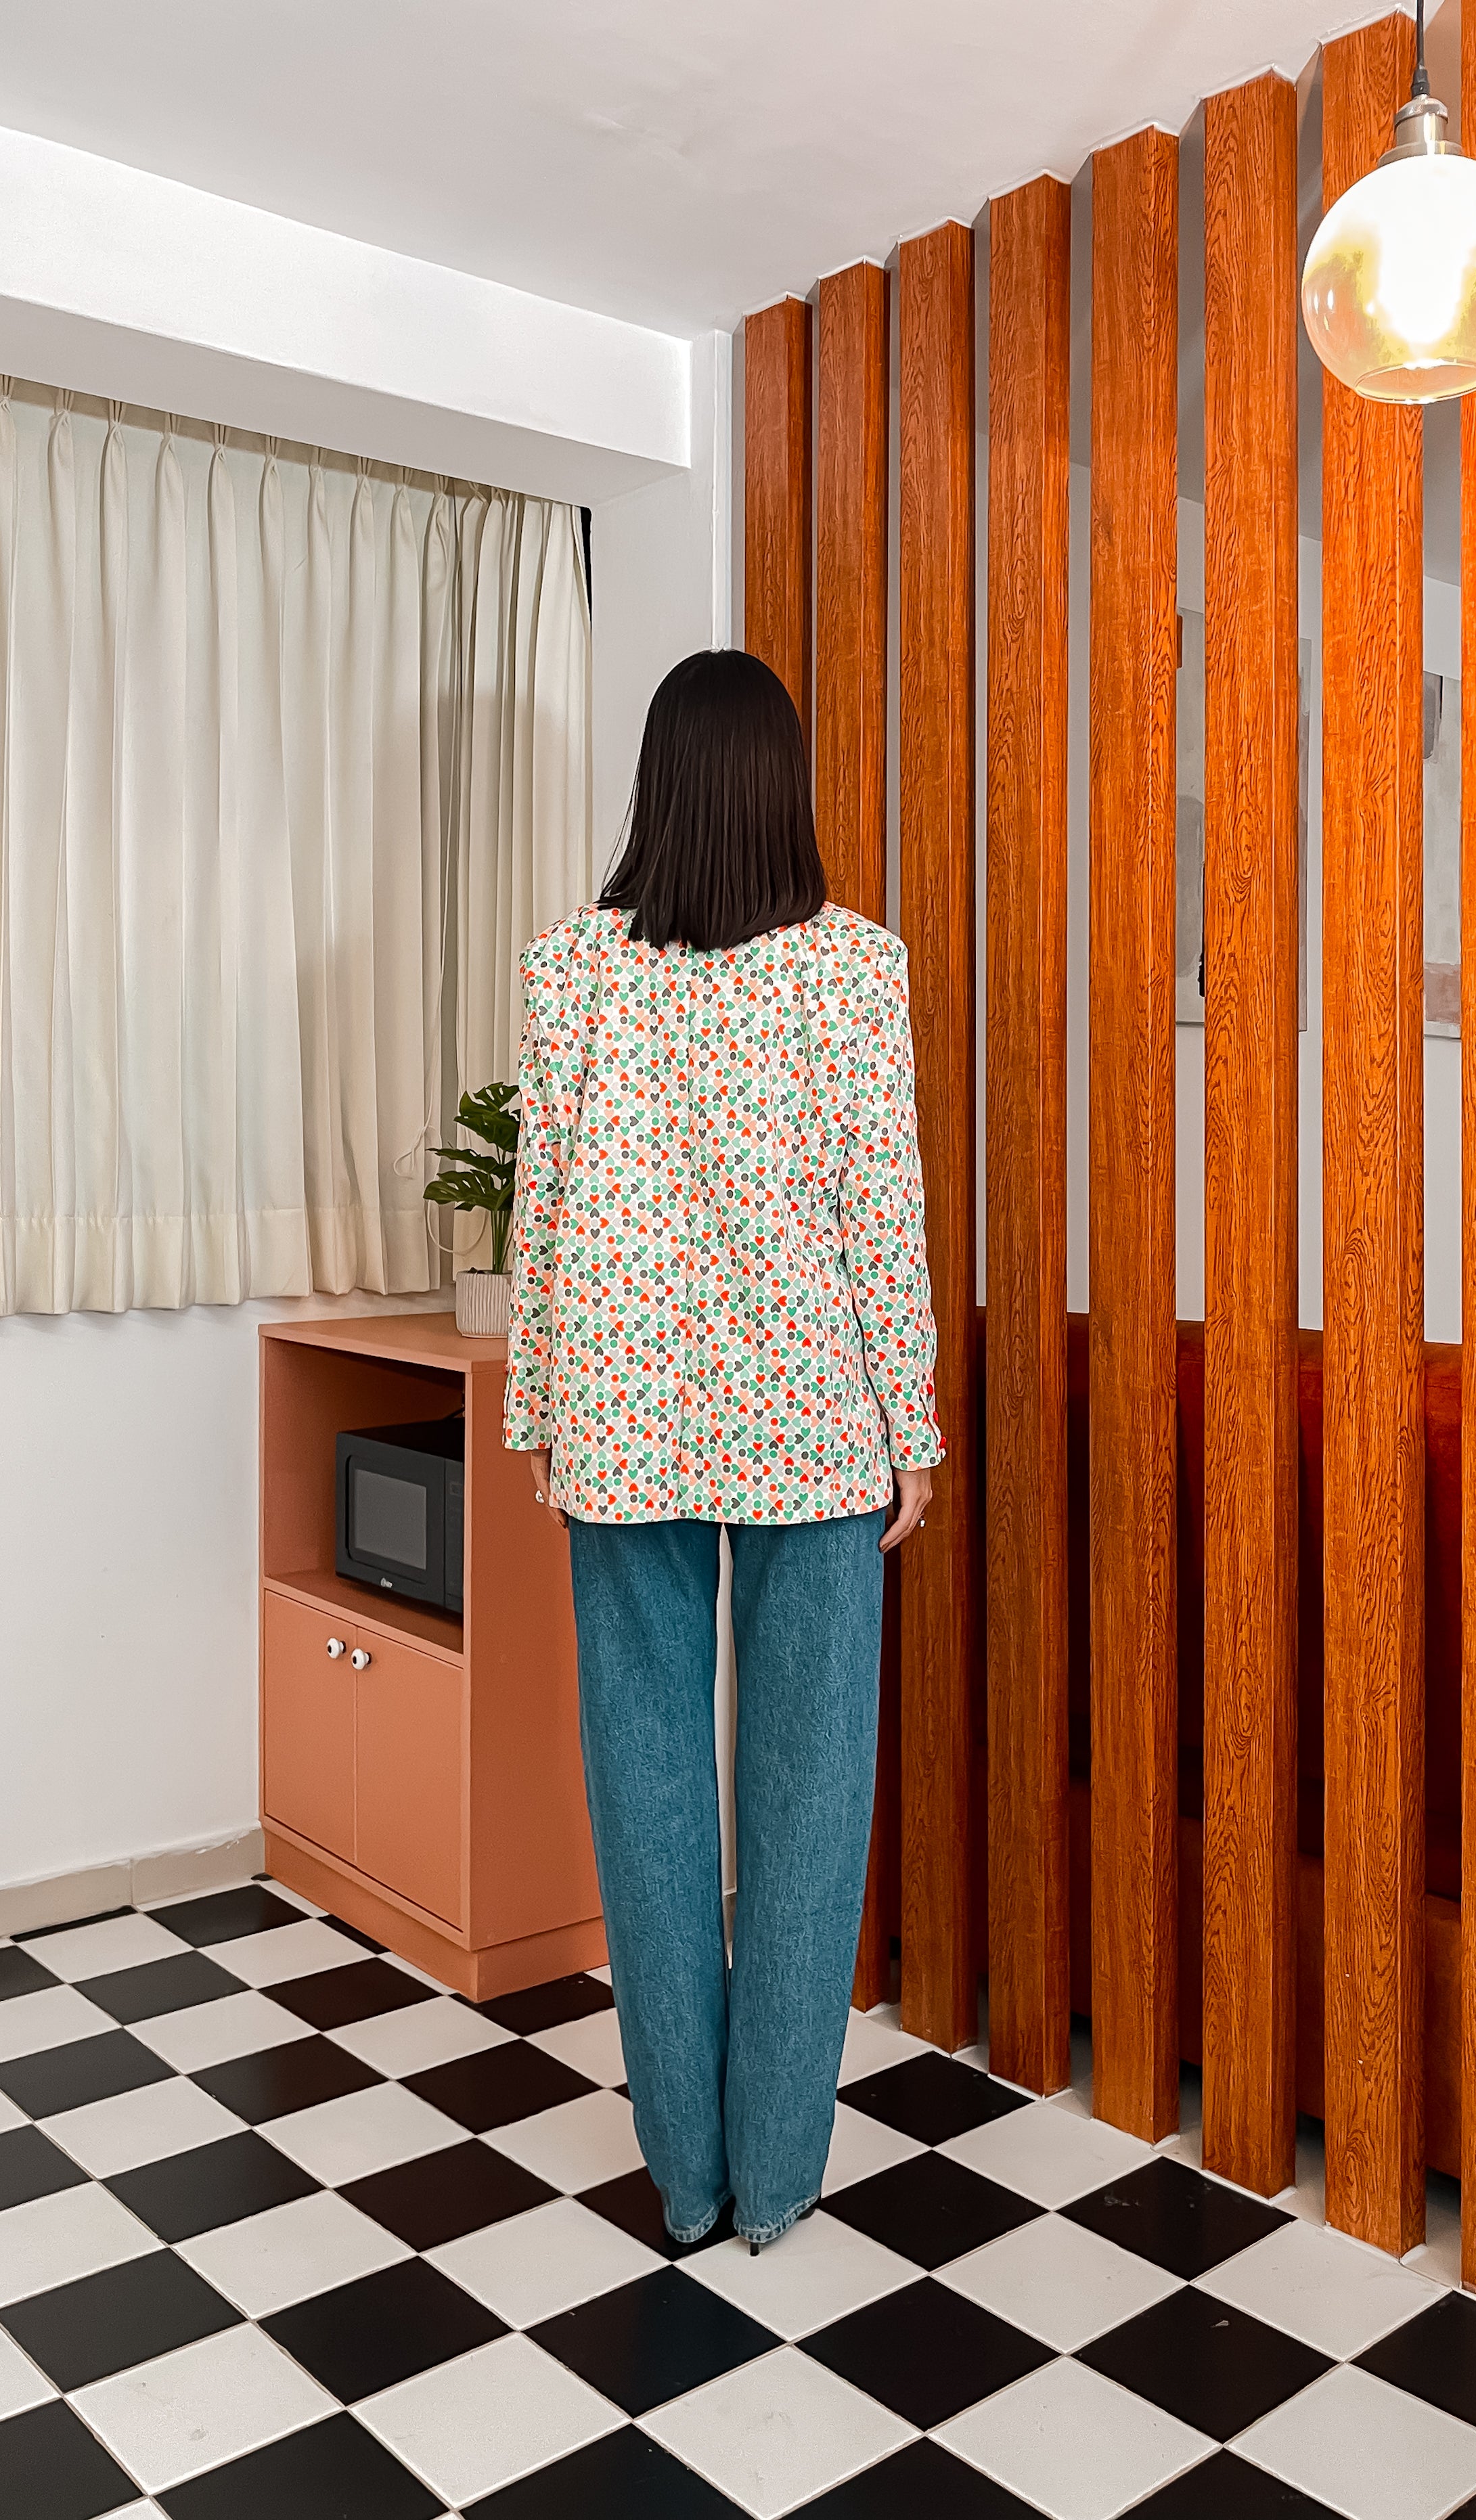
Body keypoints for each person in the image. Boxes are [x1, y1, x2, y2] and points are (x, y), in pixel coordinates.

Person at [501, 647, 941, 2253]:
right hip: (813, 1420)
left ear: (658, 784)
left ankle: (683, 2175)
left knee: (646, 1784)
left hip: (621, 1421)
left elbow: (543, 1207)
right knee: (811, 1792)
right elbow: (879, 1208)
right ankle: (776, 2175)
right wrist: (912, 1426)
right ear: (781, 786)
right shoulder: (856, 968)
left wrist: (537, 1409)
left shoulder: (570, 967)